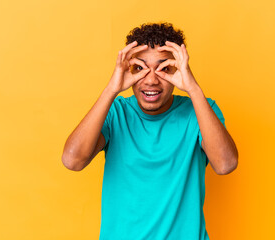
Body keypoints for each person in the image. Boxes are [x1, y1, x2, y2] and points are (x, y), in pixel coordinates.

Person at [62, 22, 238, 240]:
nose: (152, 80)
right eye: (140, 68)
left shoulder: (201, 111)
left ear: (178, 69)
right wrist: (111, 89)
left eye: (165, 68)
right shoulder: (116, 113)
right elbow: (72, 160)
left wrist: (193, 88)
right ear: (128, 70)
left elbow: (226, 164)